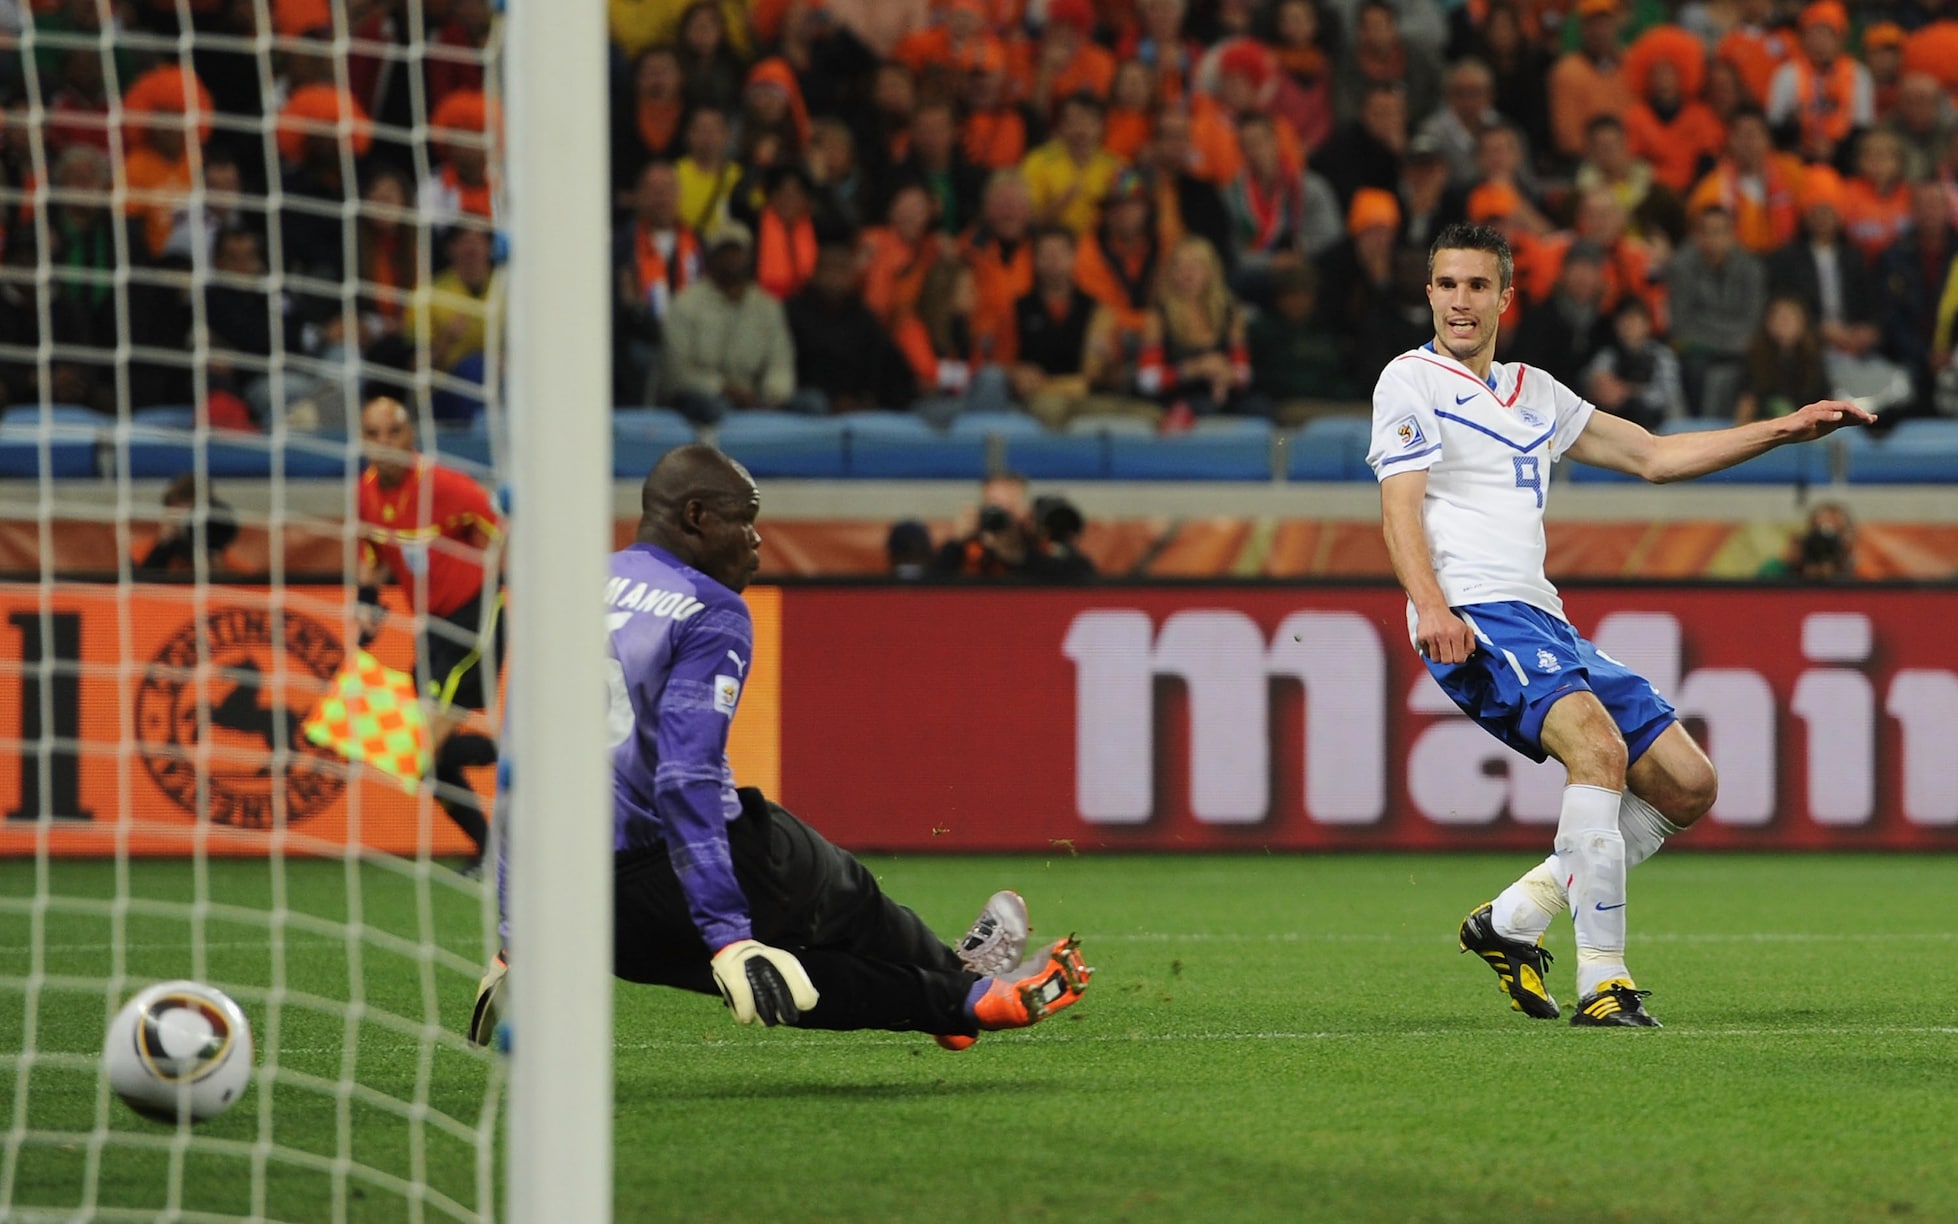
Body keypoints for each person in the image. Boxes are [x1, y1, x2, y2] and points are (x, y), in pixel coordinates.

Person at [1369, 222, 1871, 1028]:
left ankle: (1512, 920)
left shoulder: (1536, 392)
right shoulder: (1409, 381)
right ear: (1429, 293)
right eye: (1447, 285)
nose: (1461, 302)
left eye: (1476, 286)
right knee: (1599, 751)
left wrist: (1784, 430)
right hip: (1474, 610)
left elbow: (1655, 456)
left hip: (1542, 616)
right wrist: (1431, 604)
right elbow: (1399, 508)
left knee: (1685, 783)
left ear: (1504, 296)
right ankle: (1604, 982)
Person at [470, 446, 1091, 1047]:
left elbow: (518, 771)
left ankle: (964, 1004)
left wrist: (515, 935)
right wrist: (726, 930)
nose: (757, 541)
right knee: (847, 897)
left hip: (587, 905)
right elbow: (684, 780)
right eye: (746, 521)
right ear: (696, 517)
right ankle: (969, 978)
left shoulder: (572, 591)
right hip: (707, 861)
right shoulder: (709, 607)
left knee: (782, 977)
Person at [354, 396, 504, 874]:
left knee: (414, 747)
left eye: (393, 432)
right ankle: (489, 845)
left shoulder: (443, 485)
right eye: (373, 435)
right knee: (422, 759)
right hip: (431, 628)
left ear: (411, 435)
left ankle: (527, 752)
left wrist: (490, 585)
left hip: (472, 618)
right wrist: (365, 601)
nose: (385, 445)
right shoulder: (367, 491)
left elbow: (497, 532)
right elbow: (375, 555)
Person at [137, 472, 239, 573]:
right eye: (178, 517)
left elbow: (242, 583)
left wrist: (215, 567)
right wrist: (162, 548)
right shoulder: (140, 552)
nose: (189, 526)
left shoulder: (225, 557)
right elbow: (138, 583)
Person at [1758, 501, 1857, 581]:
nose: (1825, 543)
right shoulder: (1792, 564)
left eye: (1836, 533)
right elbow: (1758, 590)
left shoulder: (1858, 565)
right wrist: (1785, 563)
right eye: (1818, 533)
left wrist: (1845, 565)